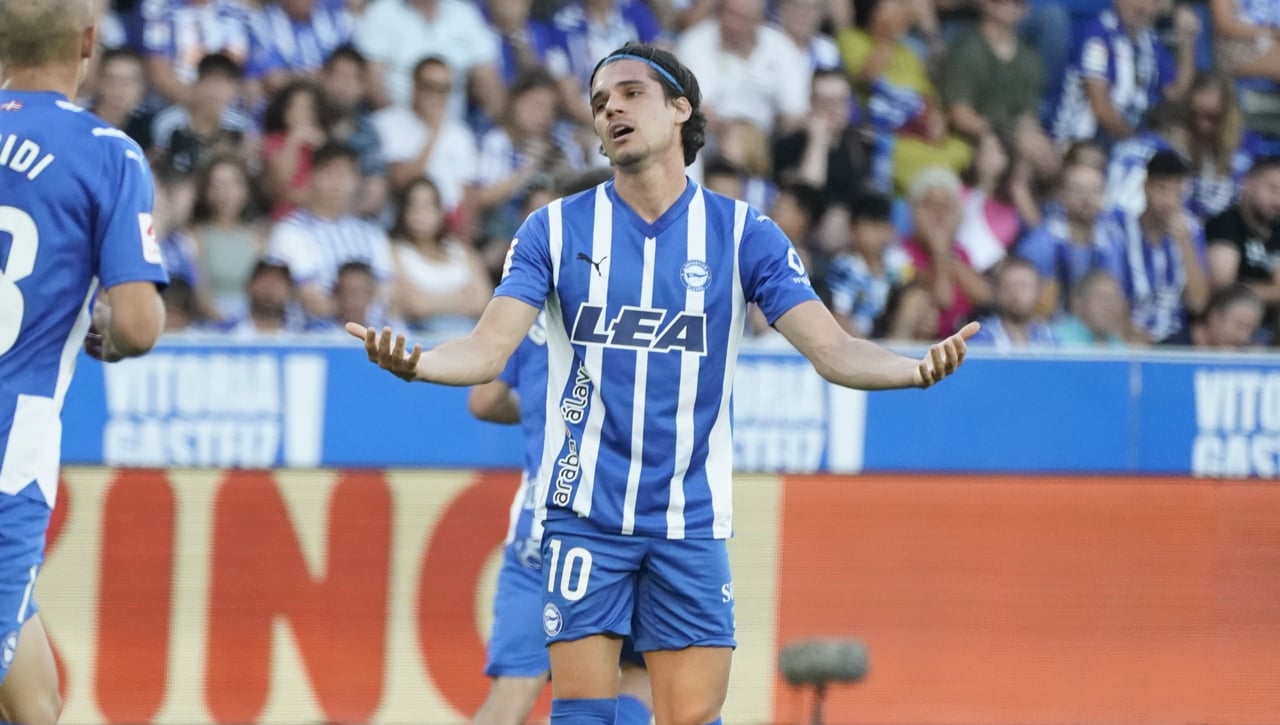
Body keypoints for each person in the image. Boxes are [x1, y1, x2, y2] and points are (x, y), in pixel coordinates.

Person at [347, 41, 975, 725]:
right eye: (598, 103)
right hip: (584, 516)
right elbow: (486, 350)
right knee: (582, 714)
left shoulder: (744, 234)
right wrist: (420, 363)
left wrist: (912, 370)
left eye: (629, 92)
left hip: (688, 522)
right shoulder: (552, 230)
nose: (610, 109)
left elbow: (833, 349)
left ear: (680, 108)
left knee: (692, 716)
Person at [0, 0, 169, 723]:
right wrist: (111, 334)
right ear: (89, 42)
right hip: (10, 446)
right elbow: (139, 322)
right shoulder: (106, 152)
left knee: (35, 701)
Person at [467, 310, 653, 725]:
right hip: (621, 527)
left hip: (540, 527)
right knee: (640, 675)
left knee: (513, 692)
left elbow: (483, 400)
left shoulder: (527, 309)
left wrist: (542, 410)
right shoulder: (637, 307)